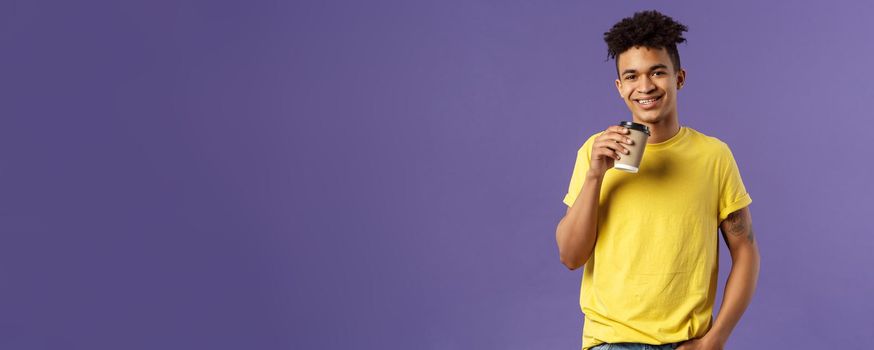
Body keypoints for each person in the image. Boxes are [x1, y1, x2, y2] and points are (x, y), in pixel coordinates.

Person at [555, 10, 760, 350]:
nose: (645, 86)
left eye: (657, 72)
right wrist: (595, 176)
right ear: (620, 88)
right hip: (610, 342)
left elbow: (747, 251)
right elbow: (571, 256)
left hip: (685, 342)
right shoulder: (596, 151)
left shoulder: (714, 155)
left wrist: (714, 340)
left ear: (679, 78)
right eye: (632, 76)